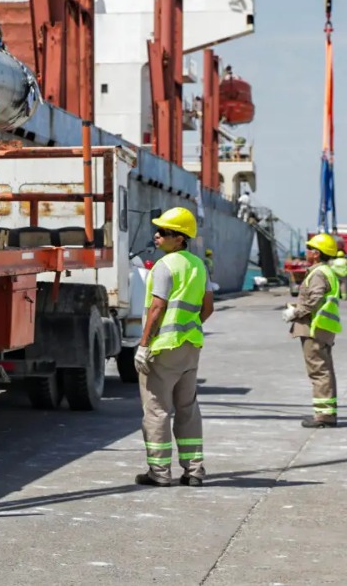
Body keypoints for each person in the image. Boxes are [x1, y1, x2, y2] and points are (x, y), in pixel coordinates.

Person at [134, 207, 214, 487]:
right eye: (157, 231)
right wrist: (189, 325)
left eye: (164, 232)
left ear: (179, 238)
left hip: (164, 348)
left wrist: (144, 345)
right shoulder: (199, 265)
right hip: (190, 346)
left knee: (156, 409)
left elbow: (157, 308)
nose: (157, 236)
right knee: (188, 407)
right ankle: (194, 471)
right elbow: (208, 307)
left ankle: (159, 472)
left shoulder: (164, 266)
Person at [282, 233, 344, 428]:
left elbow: (314, 299)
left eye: (309, 249)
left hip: (314, 328)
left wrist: (295, 313)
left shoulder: (318, 273)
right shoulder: (327, 271)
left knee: (318, 372)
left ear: (316, 254)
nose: (306, 252)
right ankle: (327, 412)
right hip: (323, 328)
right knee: (324, 371)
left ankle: (324, 416)